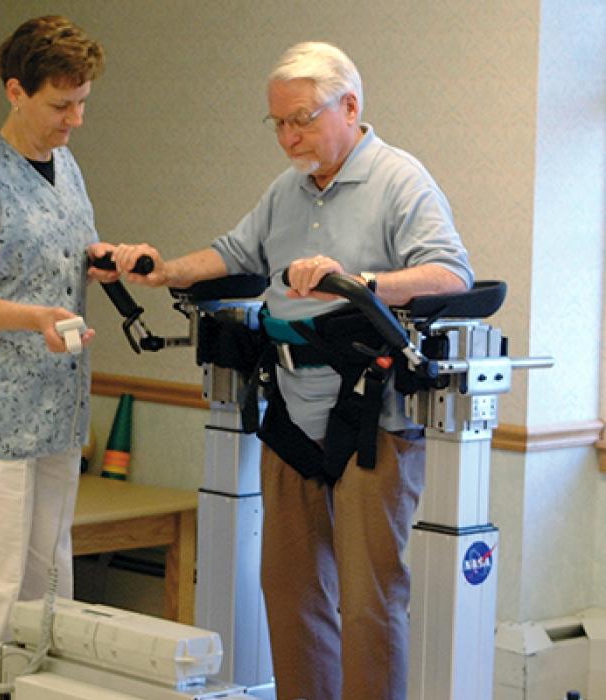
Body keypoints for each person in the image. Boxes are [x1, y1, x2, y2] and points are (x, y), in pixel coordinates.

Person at [105, 42, 473, 700]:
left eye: (301, 119)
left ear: (350, 106)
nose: (288, 136)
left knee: (367, 603)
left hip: (371, 416)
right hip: (291, 414)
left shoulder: (399, 179)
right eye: (277, 122)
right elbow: (233, 253)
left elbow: (451, 273)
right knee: (289, 592)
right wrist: (164, 271)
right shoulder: (288, 190)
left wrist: (362, 282)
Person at [0, 16, 118, 700]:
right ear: (15, 91)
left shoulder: (66, 168)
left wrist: (107, 263)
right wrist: (30, 317)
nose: (76, 119)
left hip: (55, 412)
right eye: (61, 105)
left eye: (82, 102)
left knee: (42, 594)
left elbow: (68, 255)